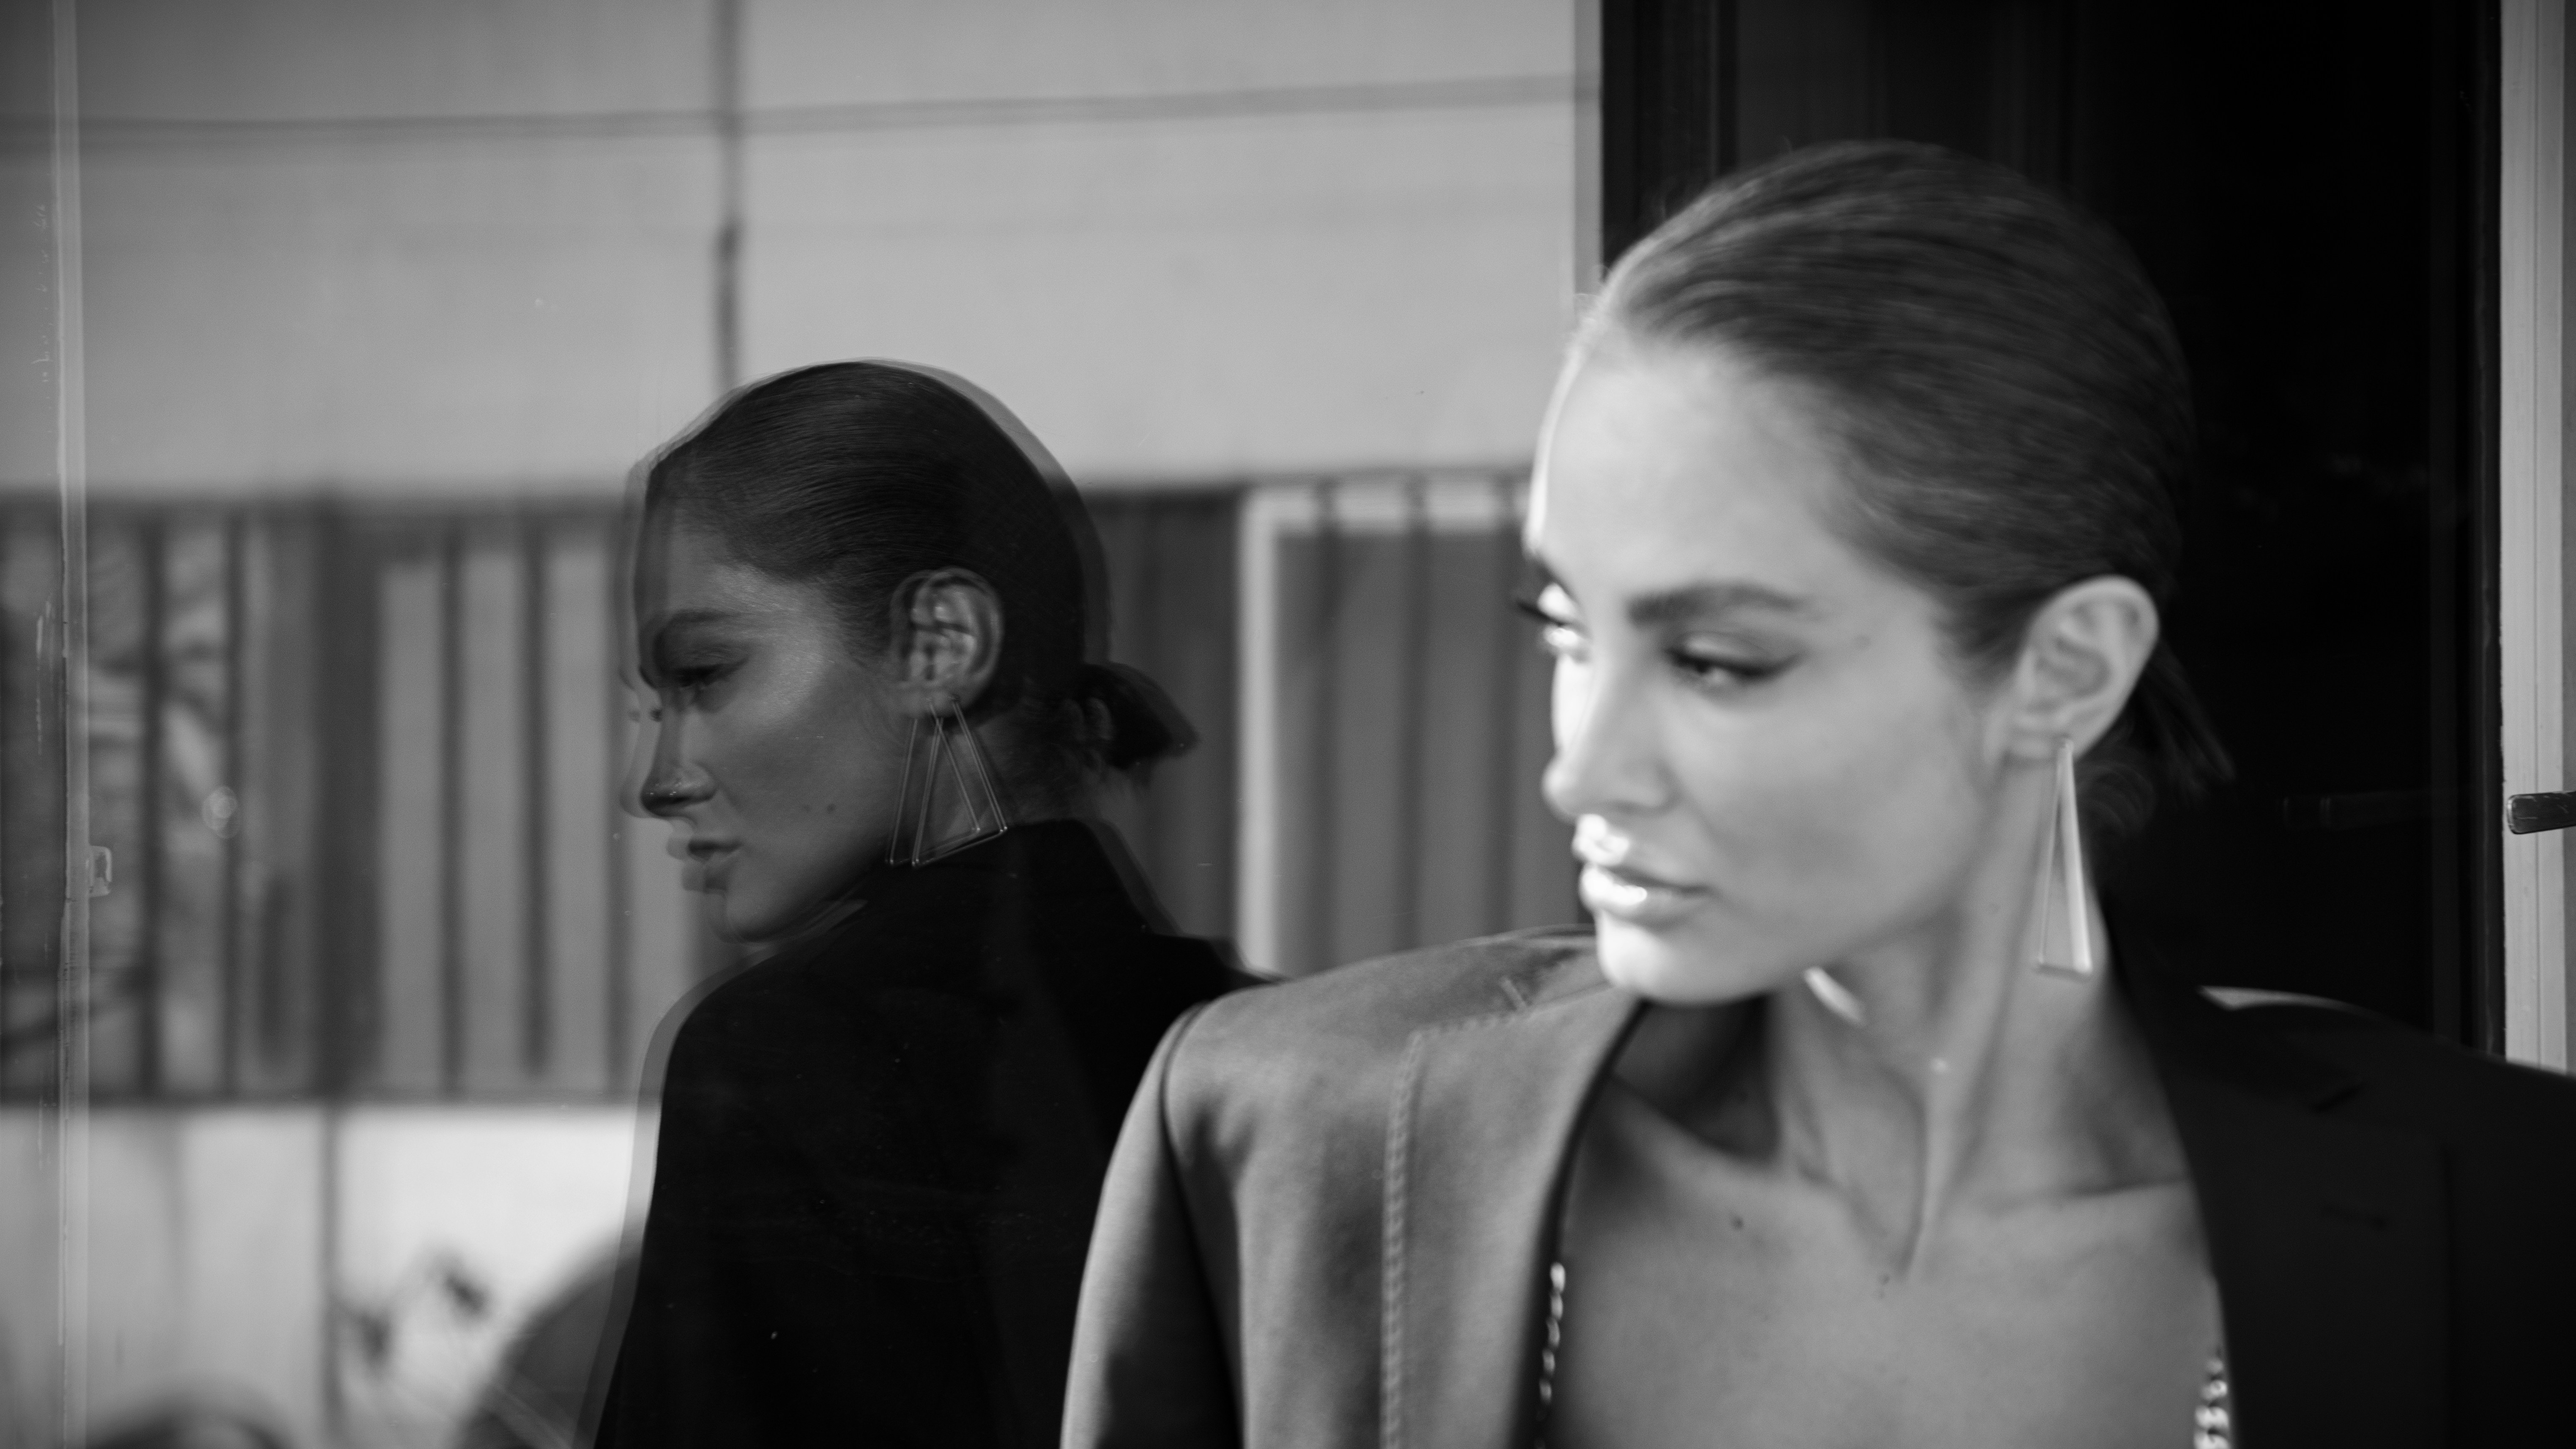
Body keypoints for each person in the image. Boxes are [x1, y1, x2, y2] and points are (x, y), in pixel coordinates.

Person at [1063, 142, 2576, 1447]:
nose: (1578, 765)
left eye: (1717, 658)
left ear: (2062, 672)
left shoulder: (2507, 1225)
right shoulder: (1276, 1138)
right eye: (1569, 632)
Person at [593, 361, 1239, 1449]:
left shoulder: (782, 1057)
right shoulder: (1228, 1031)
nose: (656, 778)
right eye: (656, 708)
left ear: (940, 644)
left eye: (704, 675)